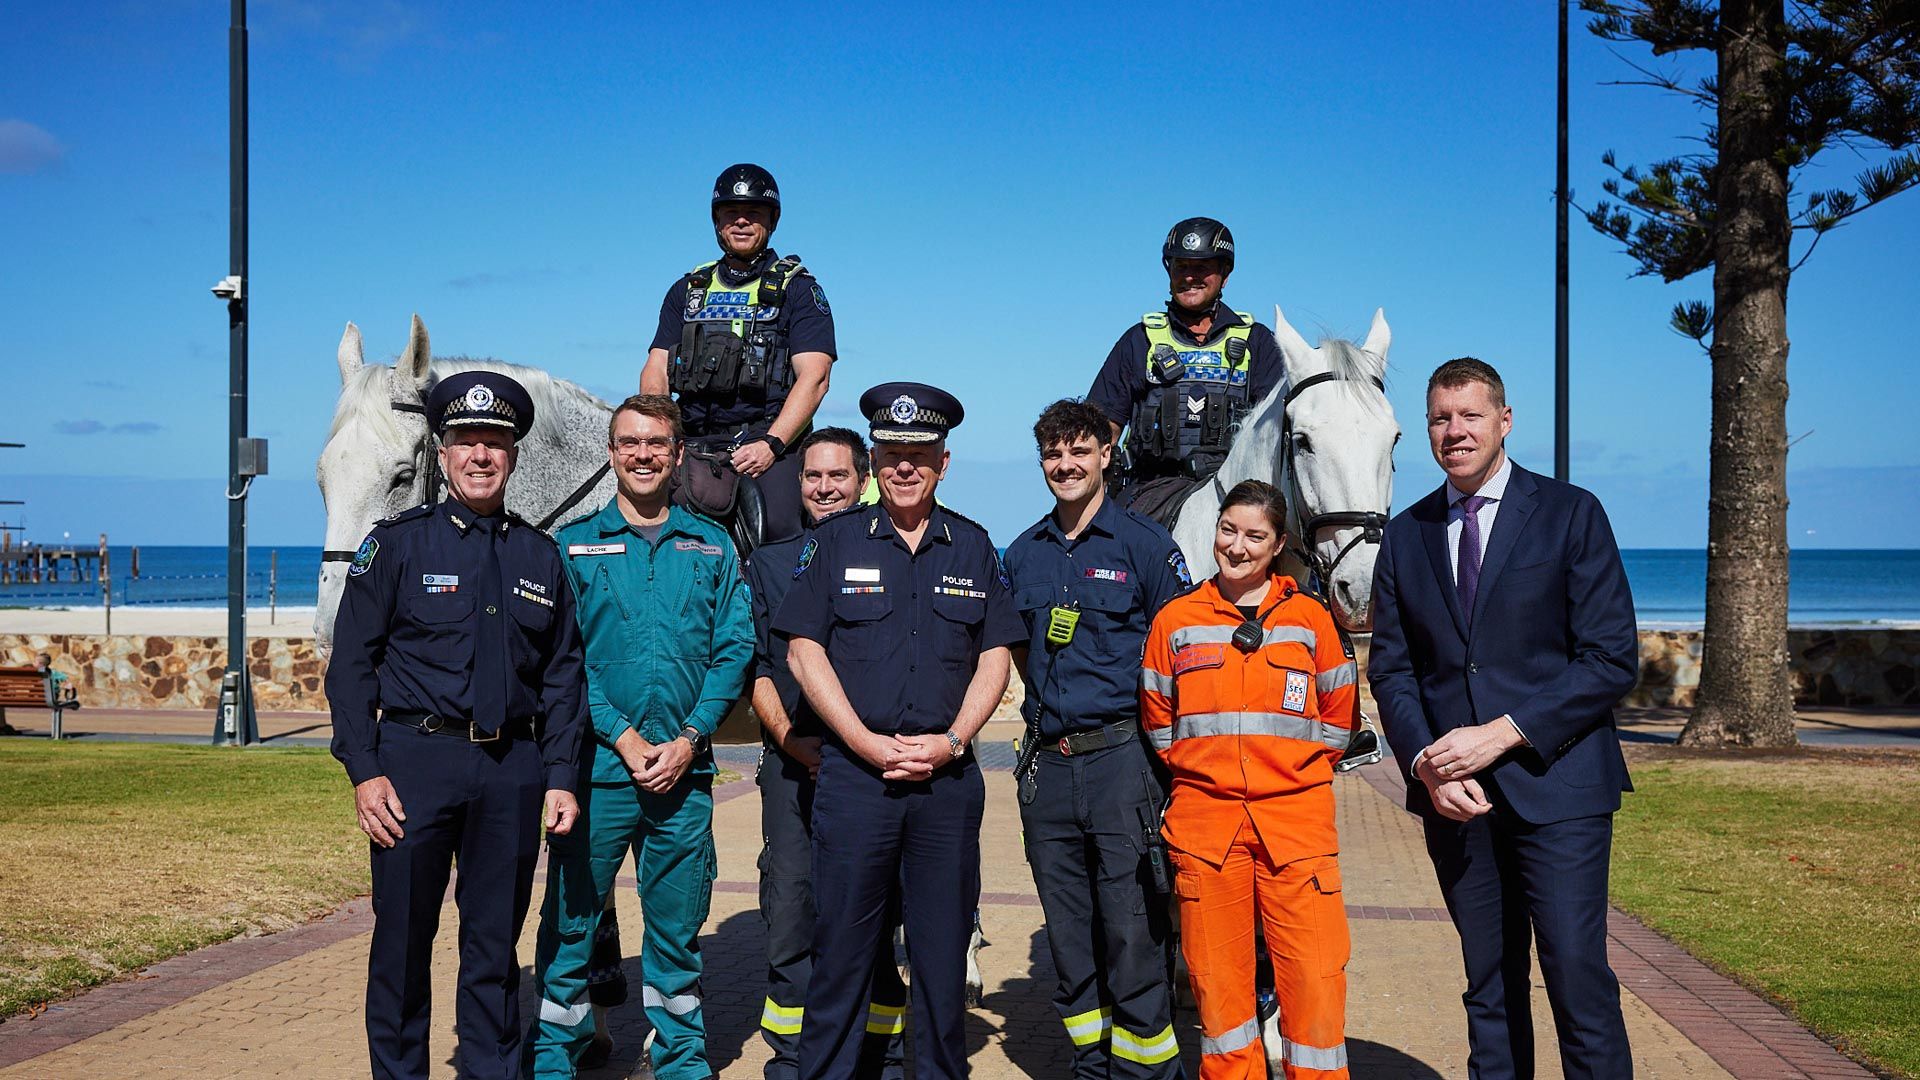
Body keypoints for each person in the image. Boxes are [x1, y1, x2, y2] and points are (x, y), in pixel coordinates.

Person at [1367, 357, 1639, 1079]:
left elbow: (1611, 659)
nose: (1454, 431)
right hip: (1458, 803)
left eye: (1470, 415)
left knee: (1578, 978)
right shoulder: (1405, 535)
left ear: (1505, 421)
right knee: (1489, 987)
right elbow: (1392, 670)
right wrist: (1425, 763)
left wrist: (1503, 732)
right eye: (1440, 418)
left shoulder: (1571, 513)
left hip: (1561, 787)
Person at [325, 371, 587, 1080]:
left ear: (513, 456)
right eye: (466, 441)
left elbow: (563, 677)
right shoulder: (397, 546)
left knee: (495, 951)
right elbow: (350, 666)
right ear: (441, 455)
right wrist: (364, 769)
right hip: (414, 763)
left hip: (512, 773)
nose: (480, 455)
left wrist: (561, 777)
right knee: (404, 946)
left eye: (495, 443)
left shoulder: (541, 556)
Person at [773, 382, 1024, 1080]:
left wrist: (956, 740)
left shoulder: (973, 547)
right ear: (875, 462)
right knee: (842, 959)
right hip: (858, 782)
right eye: (891, 454)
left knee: (943, 963)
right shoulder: (833, 542)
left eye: (920, 454)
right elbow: (802, 649)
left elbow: (996, 655)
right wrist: (860, 740)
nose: (904, 467)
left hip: (945, 786)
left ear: (944, 462)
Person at [526, 394, 754, 1080]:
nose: (644, 455)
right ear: (611, 452)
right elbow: (564, 663)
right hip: (597, 774)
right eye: (630, 443)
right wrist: (623, 737)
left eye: (657, 443)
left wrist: (688, 740)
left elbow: (734, 650)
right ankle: (554, 1060)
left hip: (684, 778)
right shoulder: (570, 548)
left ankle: (682, 1060)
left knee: (677, 932)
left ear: (678, 454)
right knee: (570, 928)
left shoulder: (711, 546)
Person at [1140, 479, 1358, 1080]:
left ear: (1279, 544)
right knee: (1220, 1004)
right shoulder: (1175, 622)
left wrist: (1285, 775)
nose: (1236, 547)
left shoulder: (1311, 620)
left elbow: (1339, 722)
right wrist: (1210, 775)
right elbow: (1160, 722)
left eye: (1254, 536)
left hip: (1297, 832)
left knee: (1315, 994)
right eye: (1227, 530)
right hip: (1207, 834)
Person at [1002, 399, 1192, 1078]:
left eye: (1079, 452)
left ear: (1107, 455)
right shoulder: (1022, 553)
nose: (1066, 465)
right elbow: (1018, 655)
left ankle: (1147, 1070)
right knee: (1069, 932)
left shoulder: (1147, 547)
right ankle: (1092, 1062)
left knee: (1133, 929)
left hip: (1123, 763)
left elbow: (1183, 659)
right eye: (1054, 454)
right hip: (1048, 767)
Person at [744, 426, 908, 1079]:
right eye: (812, 477)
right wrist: (791, 740)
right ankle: (795, 1057)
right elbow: (758, 670)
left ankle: (883, 1057)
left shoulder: (896, 554)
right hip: (791, 767)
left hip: (870, 772)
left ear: (863, 477)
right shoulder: (770, 563)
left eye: (838, 476)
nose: (824, 488)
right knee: (789, 913)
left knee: (873, 916)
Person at [640, 163, 836, 544]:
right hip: (692, 443)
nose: (741, 222)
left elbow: (815, 378)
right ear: (716, 221)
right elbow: (655, 370)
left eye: (754, 214)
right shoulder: (687, 291)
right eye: (731, 213)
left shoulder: (799, 291)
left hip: (768, 445)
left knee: (780, 535)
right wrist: (660, 438)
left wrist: (772, 444)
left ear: (772, 221)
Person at [1084, 218, 1285, 509]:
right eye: (1181, 267)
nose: (1190, 277)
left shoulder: (1258, 342)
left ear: (1224, 274)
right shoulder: (1139, 340)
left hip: (1238, 498)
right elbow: (1100, 431)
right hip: (1148, 496)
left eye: (1201, 267)